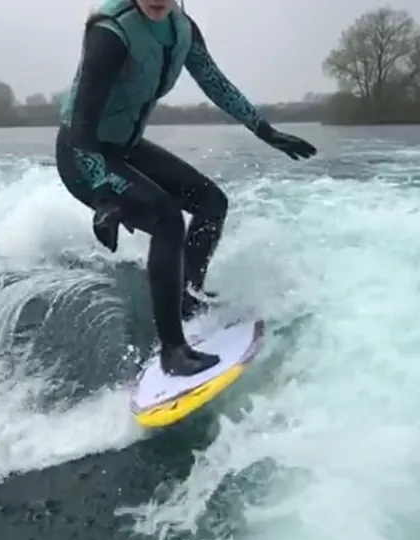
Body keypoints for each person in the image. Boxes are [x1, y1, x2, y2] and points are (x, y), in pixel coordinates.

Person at [55, 0, 317, 377]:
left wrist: (265, 130)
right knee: (167, 219)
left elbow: (215, 83)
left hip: (125, 148)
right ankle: (173, 351)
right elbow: (81, 128)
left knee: (211, 202)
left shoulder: (182, 31)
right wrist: (102, 195)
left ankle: (185, 301)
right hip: (82, 156)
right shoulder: (110, 33)